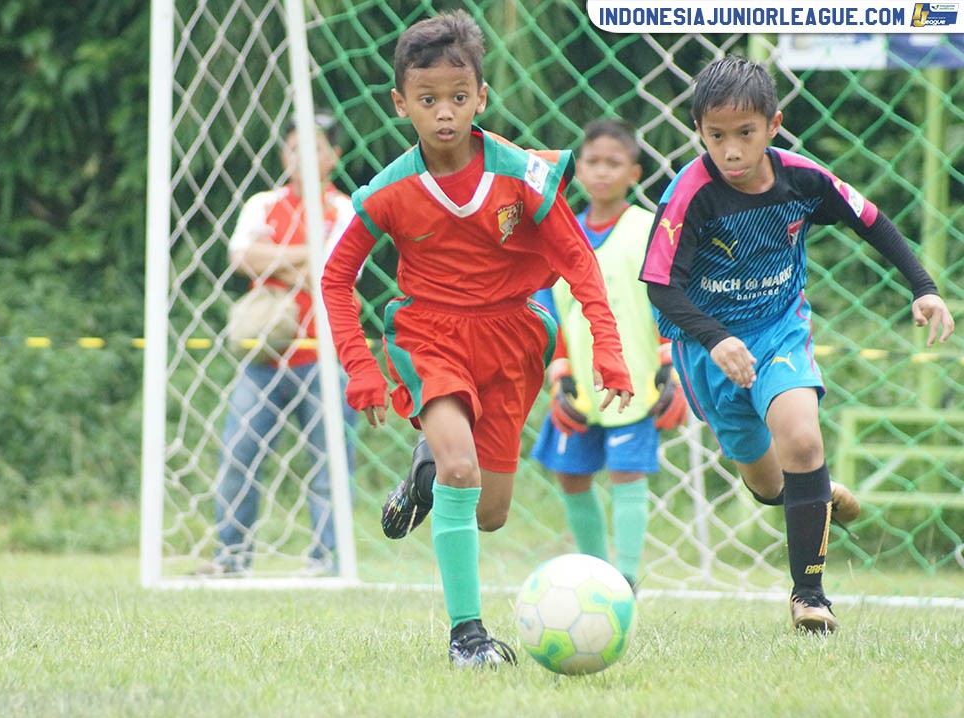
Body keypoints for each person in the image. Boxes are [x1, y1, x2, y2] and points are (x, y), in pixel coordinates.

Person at [321, 10, 633, 667]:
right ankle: (467, 638)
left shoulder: (520, 176)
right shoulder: (389, 191)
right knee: (461, 469)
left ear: (481, 98)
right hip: (428, 334)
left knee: (489, 511)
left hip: (512, 337)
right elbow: (335, 278)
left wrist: (606, 348)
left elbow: (579, 263)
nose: (444, 113)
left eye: (458, 98)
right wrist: (361, 368)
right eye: (427, 99)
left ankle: (425, 473)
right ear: (400, 102)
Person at [639, 55, 955, 633]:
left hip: (779, 328)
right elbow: (660, 285)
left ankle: (810, 596)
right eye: (716, 136)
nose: (731, 151)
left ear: (773, 124)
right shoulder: (690, 194)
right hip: (709, 348)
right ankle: (820, 493)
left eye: (745, 133)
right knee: (769, 487)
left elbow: (869, 219)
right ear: (698, 130)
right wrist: (716, 338)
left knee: (803, 441)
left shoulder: (802, 179)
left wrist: (924, 287)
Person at [530, 118, 688, 592]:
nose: (602, 172)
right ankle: (597, 575)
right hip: (580, 381)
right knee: (571, 477)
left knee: (626, 473)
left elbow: (667, 300)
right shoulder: (560, 232)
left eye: (613, 163)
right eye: (593, 162)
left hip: (637, 381)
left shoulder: (647, 229)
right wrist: (558, 375)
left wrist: (671, 367)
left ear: (634, 173)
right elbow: (548, 310)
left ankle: (627, 580)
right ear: (578, 169)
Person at [214, 111, 357, 576]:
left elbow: (340, 268)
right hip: (265, 355)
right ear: (283, 155)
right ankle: (230, 558)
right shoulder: (263, 204)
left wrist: (275, 262)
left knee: (330, 463)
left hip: (325, 356)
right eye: (295, 148)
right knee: (238, 455)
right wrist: (309, 256)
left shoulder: (347, 209)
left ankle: (328, 561)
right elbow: (241, 256)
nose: (304, 157)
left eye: (315, 148)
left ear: (334, 156)